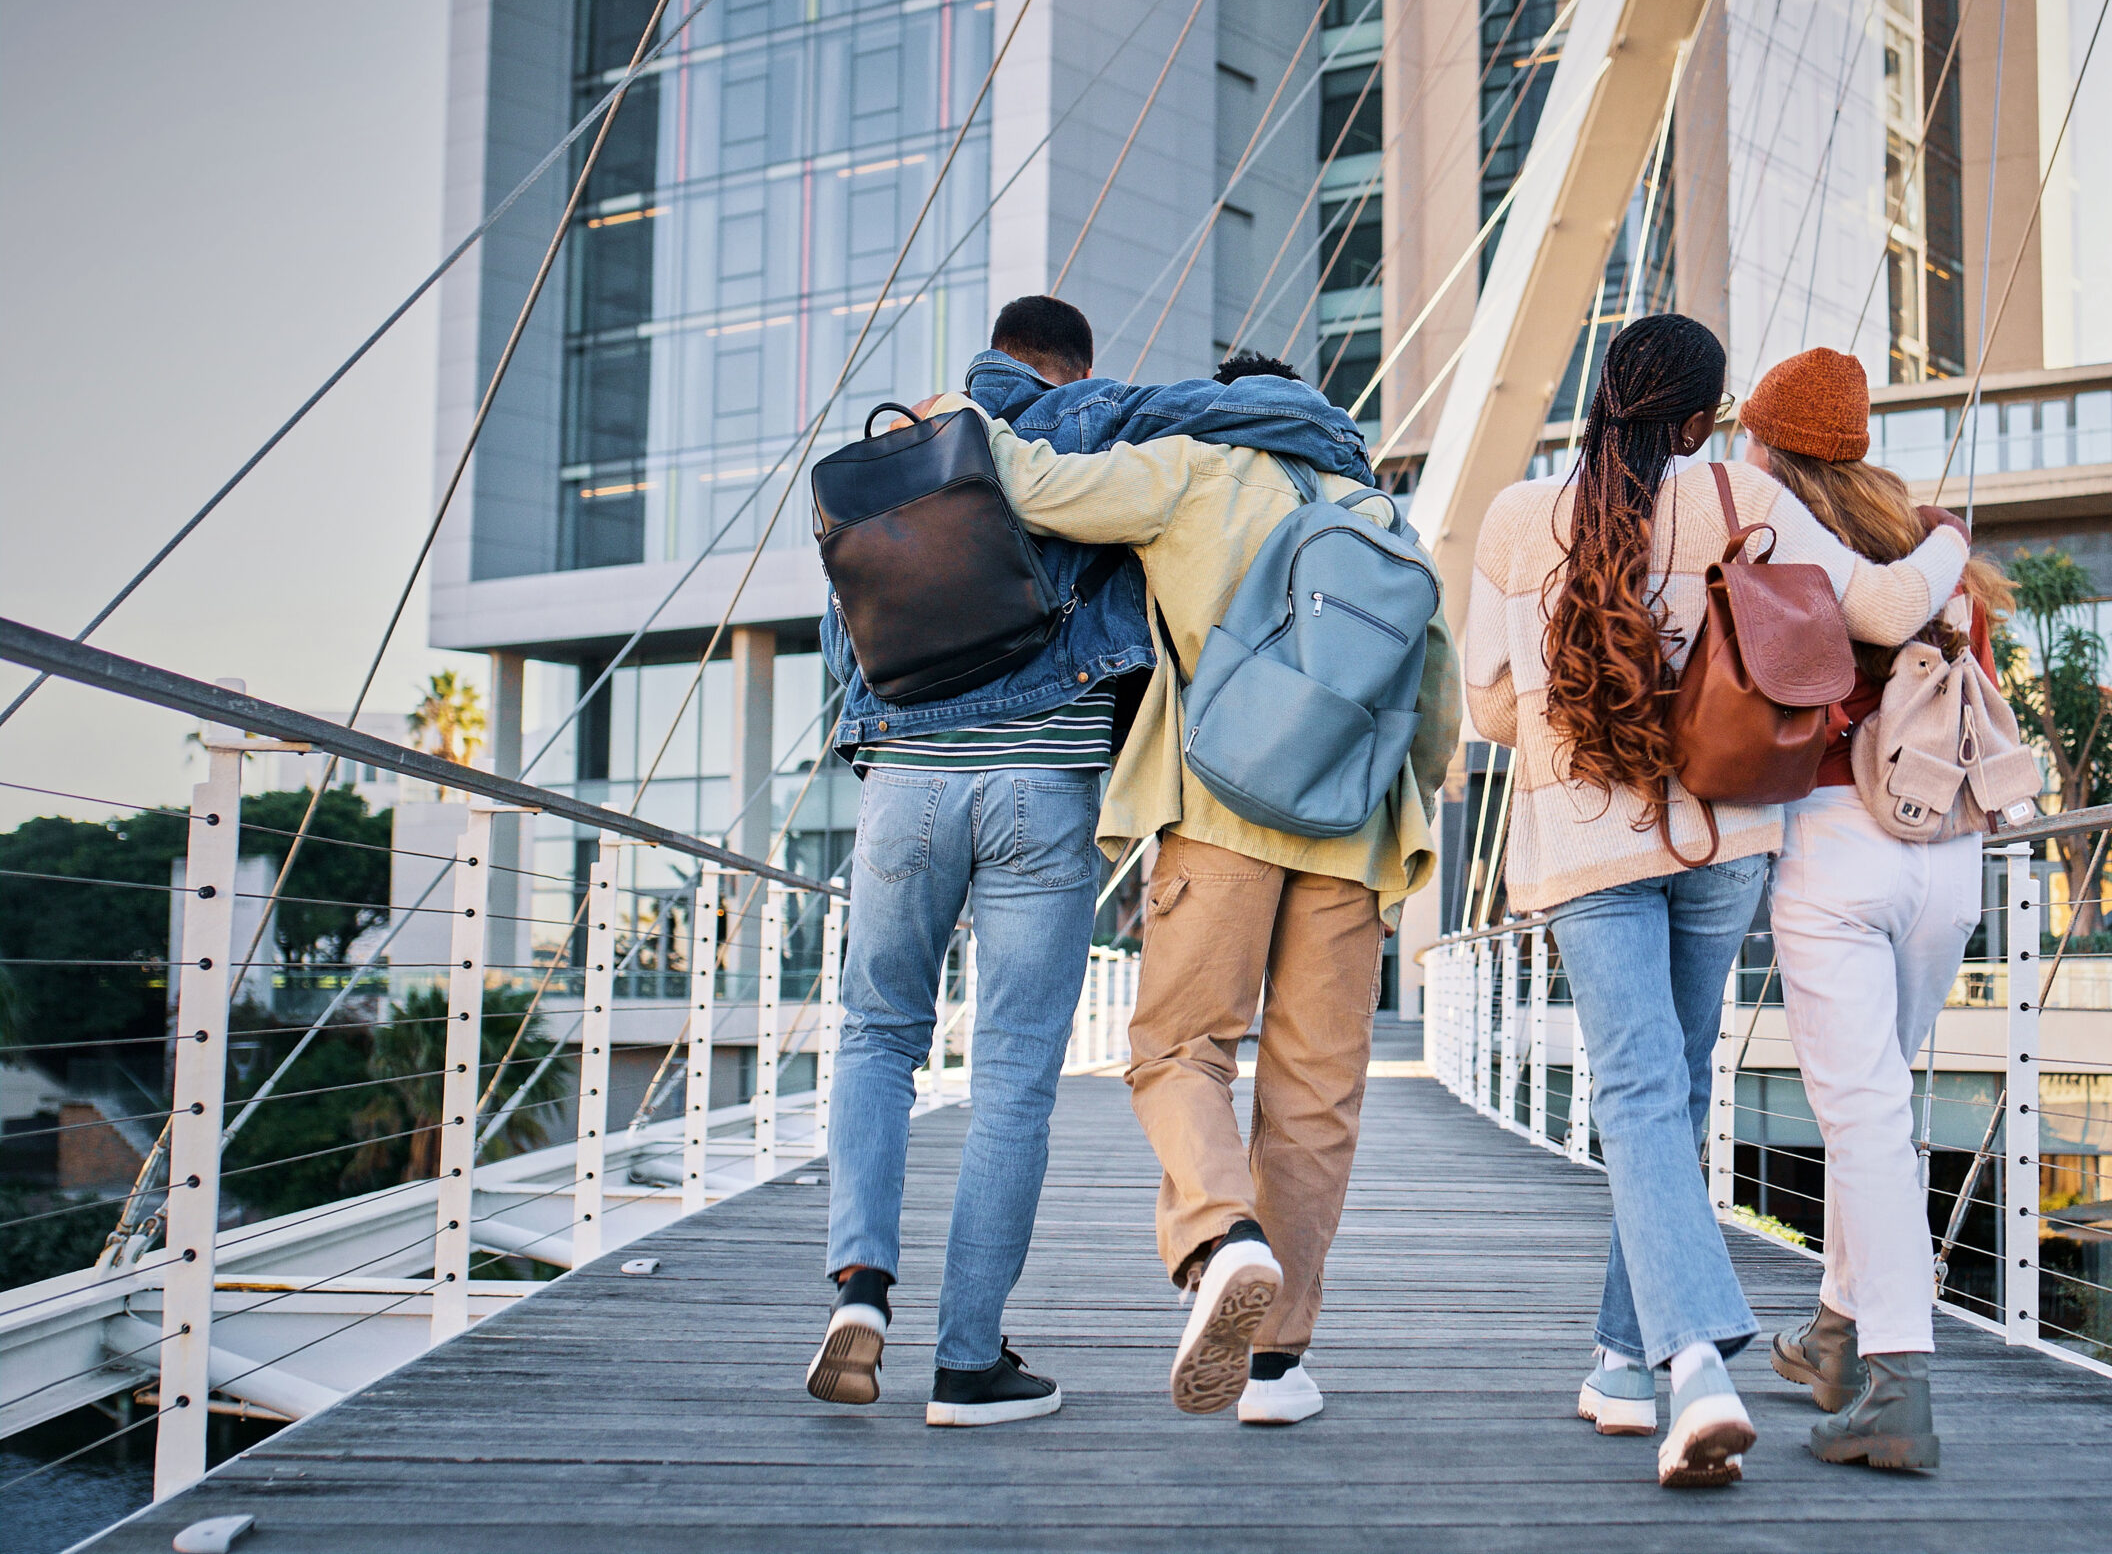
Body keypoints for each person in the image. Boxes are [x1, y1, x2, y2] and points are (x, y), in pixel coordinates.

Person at [804, 295, 1377, 1429]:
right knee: (1012, 1077)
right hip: (1046, 790)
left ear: (990, 352)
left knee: (877, 1036)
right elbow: (1199, 472)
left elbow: (846, 636)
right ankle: (969, 1363)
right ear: (1078, 361)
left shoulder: (910, 447)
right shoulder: (1106, 424)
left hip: (902, 788)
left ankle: (860, 1288)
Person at [1461, 315, 1968, 1487]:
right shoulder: (1739, 496)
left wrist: (1576, 686)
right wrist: (1948, 537)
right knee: (1675, 1089)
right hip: (1724, 828)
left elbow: (1490, 710)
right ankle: (1623, 1360)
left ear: (1602, 396)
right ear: (1700, 422)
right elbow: (1888, 611)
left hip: (1588, 843)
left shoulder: (1510, 517)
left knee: (1640, 1091)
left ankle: (1691, 1366)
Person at [1735, 347, 2008, 1472]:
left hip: (1839, 842)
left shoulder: (1779, 541)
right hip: (1952, 851)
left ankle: (1897, 1387)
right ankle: (1838, 1336)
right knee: (1878, 1112)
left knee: (1863, 1119)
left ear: (1769, 444)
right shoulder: (1933, 544)